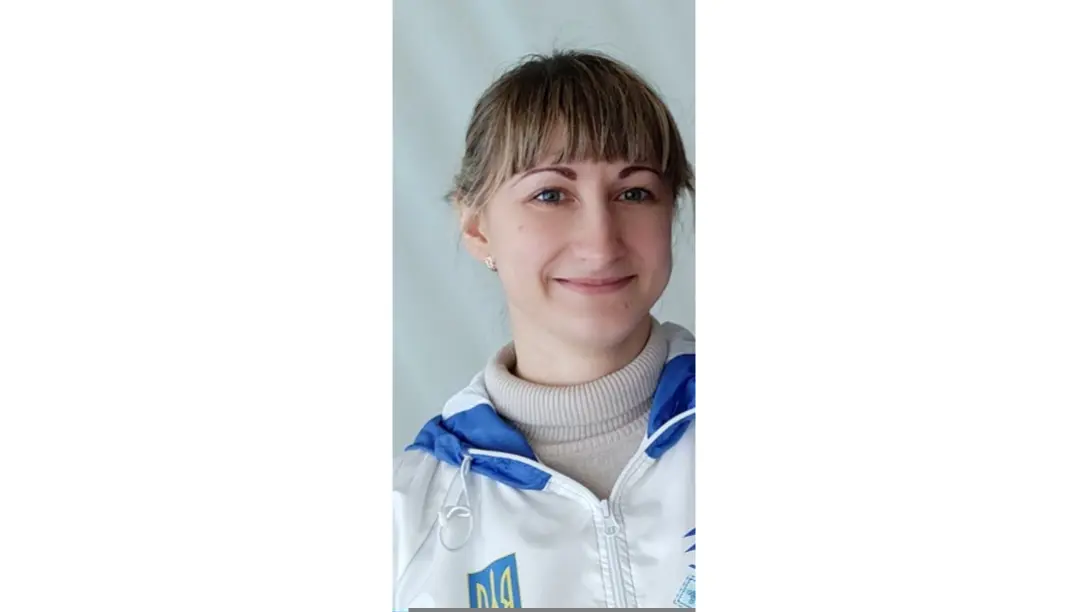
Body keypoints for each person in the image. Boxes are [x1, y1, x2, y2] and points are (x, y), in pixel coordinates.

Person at [392, 49, 696, 609]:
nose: (600, 242)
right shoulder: (408, 517)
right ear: (476, 227)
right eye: (551, 194)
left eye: (634, 192)